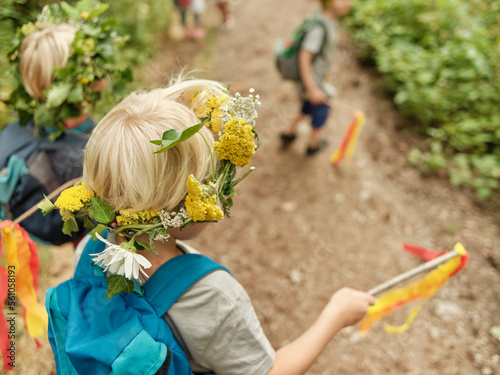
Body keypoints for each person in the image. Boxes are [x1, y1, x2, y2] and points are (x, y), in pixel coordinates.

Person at [46, 76, 375, 374]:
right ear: (186, 207)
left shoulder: (92, 247)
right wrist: (335, 317)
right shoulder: (211, 295)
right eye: (209, 184)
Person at [0, 2, 129, 245]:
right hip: (78, 238)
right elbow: (89, 221)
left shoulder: (34, 126)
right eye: (91, 64)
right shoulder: (75, 154)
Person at [280, 0, 352, 156]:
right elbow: (304, 57)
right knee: (321, 113)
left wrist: (329, 66)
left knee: (306, 108)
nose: (349, 3)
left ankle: (288, 132)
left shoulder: (327, 20)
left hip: (314, 83)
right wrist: (313, 89)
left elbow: (321, 52)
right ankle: (313, 145)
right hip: (315, 85)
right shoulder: (319, 28)